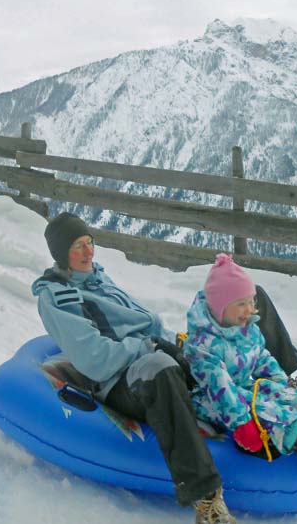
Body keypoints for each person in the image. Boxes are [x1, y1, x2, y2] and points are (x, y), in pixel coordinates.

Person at [32, 212, 237, 524]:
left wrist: (183, 346)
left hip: (154, 352)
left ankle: (291, 409)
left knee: (234, 312)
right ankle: (206, 501)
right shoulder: (59, 296)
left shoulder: (96, 276)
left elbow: (145, 325)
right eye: (78, 246)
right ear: (62, 253)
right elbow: (95, 359)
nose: (89, 252)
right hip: (121, 380)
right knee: (161, 368)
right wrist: (150, 347)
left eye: (90, 242)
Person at [182, 254, 297, 468]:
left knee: (271, 390)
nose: (250, 309)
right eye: (241, 304)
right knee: (256, 403)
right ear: (220, 307)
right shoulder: (203, 345)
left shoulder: (246, 330)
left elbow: (262, 358)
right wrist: (242, 424)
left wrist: (282, 386)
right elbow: (220, 388)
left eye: (251, 301)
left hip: (240, 387)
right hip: (210, 399)